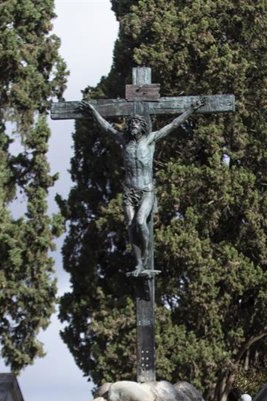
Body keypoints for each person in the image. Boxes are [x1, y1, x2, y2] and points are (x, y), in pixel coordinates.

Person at [80, 98, 205, 273]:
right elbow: (107, 128)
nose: (132, 126)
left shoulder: (150, 139)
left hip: (146, 190)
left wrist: (191, 109)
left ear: (142, 127)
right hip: (129, 192)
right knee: (131, 227)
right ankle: (138, 263)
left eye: (136, 123)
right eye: (131, 124)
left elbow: (173, 125)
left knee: (140, 221)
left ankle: (146, 255)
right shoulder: (124, 141)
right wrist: (94, 112)